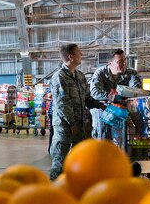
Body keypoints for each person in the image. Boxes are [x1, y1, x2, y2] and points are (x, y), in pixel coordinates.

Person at [49, 44, 105, 180]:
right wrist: (72, 123)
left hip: (79, 124)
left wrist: (100, 105)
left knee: (77, 158)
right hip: (65, 125)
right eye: (79, 53)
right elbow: (62, 103)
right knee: (60, 160)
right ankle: (54, 188)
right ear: (70, 56)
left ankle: (72, 186)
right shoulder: (59, 77)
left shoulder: (80, 76)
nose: (82, 55)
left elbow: (86, 98)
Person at [90, 49, 142, 140]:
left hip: (122, 110)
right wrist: (111, 97)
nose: (124, 63)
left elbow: (135, 91)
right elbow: (95, 93)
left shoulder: (131, 73)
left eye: (125, 60)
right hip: (103, 109)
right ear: (110, 63)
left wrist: (119, 97)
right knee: (102, 136)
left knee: (123, 137)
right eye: (120, 61)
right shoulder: (100, 73)